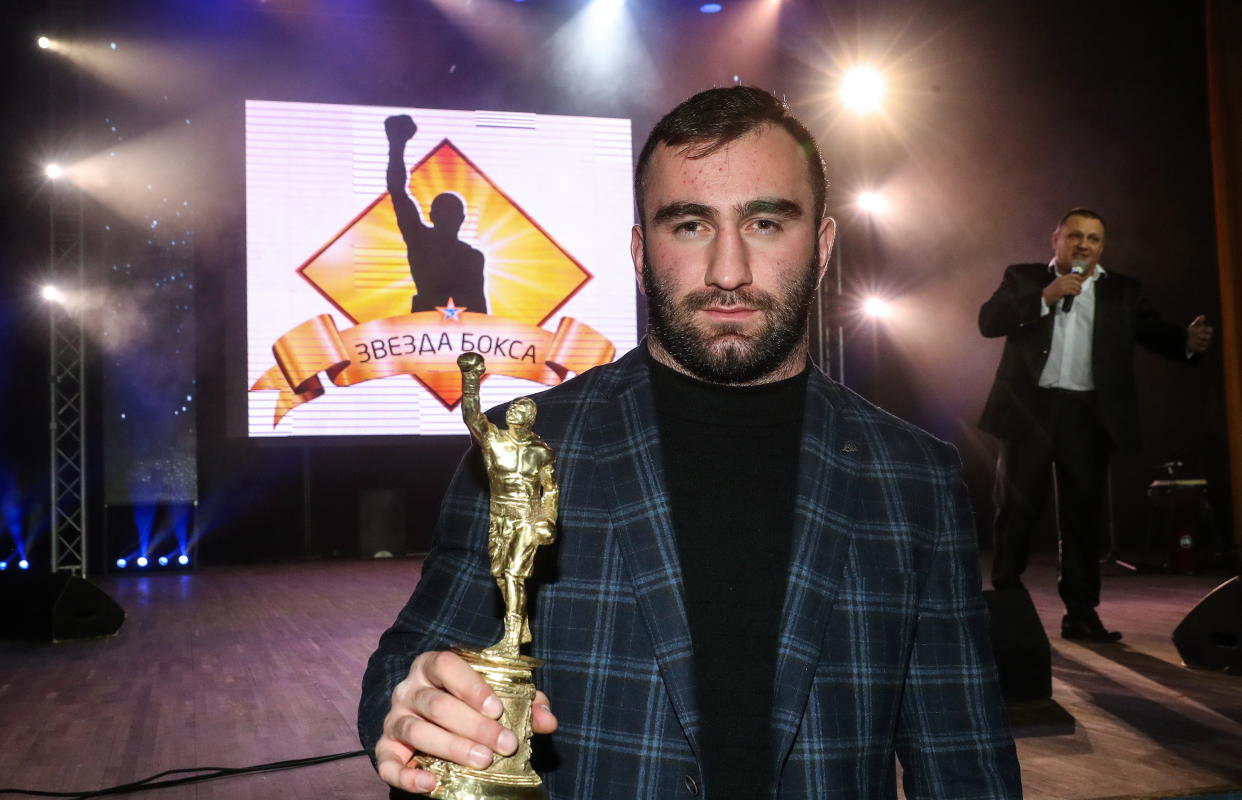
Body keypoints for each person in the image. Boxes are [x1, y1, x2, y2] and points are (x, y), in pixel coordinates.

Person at [361, 86, 1021, 800]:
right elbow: (408, 661)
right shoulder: (527, 444)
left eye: (766, 223)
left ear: (823, 247)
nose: (728, 272)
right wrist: (415, 705)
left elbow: (963, 757)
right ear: (641, 254)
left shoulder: (914, 478)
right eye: (690, 226)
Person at [979, 208, 1213, 642]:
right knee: (1016, 511)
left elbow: (1156, 333)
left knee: (1083, 518)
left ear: (1102, 247)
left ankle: (1082, 614)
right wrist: (1045, 298)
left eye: (1093, 238)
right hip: (1031, 411)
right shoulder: (1025, 278)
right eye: (1075, 236)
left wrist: (1187, 343)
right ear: (1056, 239)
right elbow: (988, 321)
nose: (1083, 245)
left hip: (1088, 416)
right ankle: (1006, 605)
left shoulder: (1122, 291)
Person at [457, 352, 558, 657]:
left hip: (527, 518)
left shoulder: (542, 453)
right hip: (499, 517)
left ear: (531, 417)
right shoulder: (494, 441)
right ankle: (521, 625)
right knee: (501, 575)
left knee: (514, 575)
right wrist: (470, 379)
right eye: (514, 407)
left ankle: (512, 637)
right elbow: (472, 416)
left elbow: (550, 491)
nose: (515, 411)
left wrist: (547, 521)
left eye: (522, 408)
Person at [385, 114, 489, 314]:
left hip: (462, 337)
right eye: (444, 212)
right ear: (433, 216)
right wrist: (396, 147)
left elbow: (480, 307)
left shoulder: (473, 257)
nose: (449, 217)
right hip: (422, 331)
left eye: (452, 213)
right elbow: (397, 190)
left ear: (461, 219)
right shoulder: (420, 240)